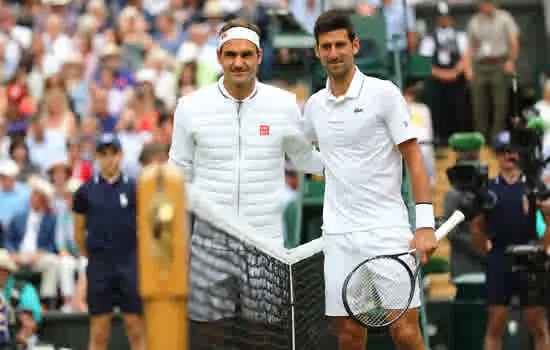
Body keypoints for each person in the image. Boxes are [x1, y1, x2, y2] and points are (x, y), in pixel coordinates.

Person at [168, 18, 325, 347]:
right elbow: (176, 176)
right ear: (219, 57)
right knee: (209, 336)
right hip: (209, 246)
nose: (238, 62)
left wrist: (354, 165)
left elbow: (305, 160)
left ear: (258, 55)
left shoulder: (282, 104)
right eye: (231, 54)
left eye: (246, 54)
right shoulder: (190, 107)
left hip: (264, 244)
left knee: (264, 338)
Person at [303, 10, 437, 350]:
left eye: (339, 45)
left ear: (355, 45)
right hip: (338, 237)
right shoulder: (315, 106)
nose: (333, 53)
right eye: (326, 47)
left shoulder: (384, 93)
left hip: (387, 232)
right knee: (348, 336)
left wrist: (424, 225)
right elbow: (304, 154)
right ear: (317, 51)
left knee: (406, 334)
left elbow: (414, 158)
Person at [470, 131, 550, 350]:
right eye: (502, 152)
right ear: (495, 155)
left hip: (530, 257)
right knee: (495, 325)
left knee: (539, 325)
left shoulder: (535, 186)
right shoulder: (487, 189)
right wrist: (487, 253)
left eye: (512, 151)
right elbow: (476, 226)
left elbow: (548, 224)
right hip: (500, 257)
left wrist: (542, 249)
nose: (508, 156)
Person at [72, 133, 145, 350]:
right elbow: (78, 233)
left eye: (113, 153)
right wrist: (95, 256)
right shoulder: (84, 192)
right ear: (96, 156)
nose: (109, 159)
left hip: (129, 264)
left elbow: (144, 227)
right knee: (99, 331)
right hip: (99, 266)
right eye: (103, 154)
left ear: (121, 155)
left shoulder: (135, 188)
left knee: (136, 328)